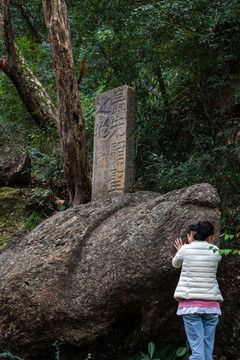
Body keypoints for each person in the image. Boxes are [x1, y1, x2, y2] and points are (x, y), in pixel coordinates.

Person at [172, 221, 223, 360]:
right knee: (207, 349)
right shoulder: (216, 251)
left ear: (193, 235)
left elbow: (175, 264)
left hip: (191, 306)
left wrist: (186, 246)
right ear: (211, 237)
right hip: (211, 306)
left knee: (197, 351)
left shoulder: (185, 249)